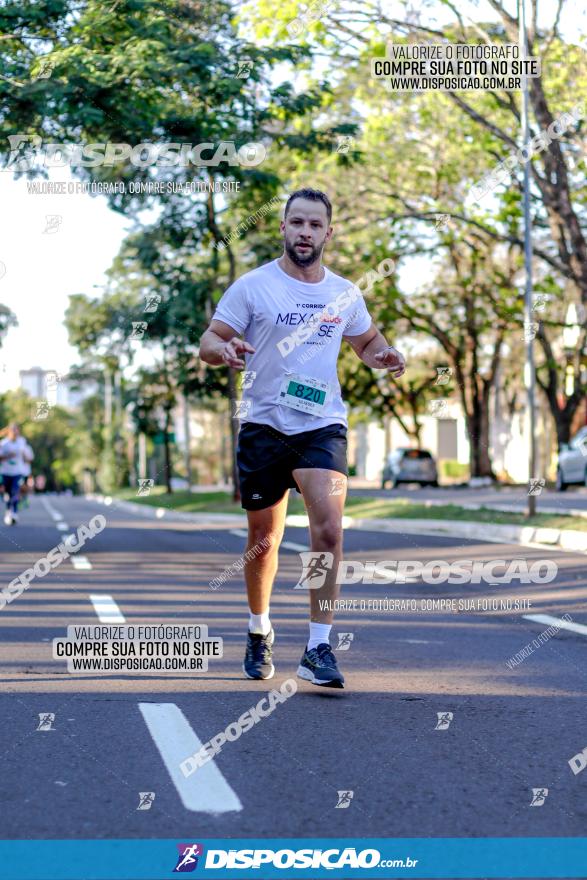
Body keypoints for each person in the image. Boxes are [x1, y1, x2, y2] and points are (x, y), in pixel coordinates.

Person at [199, 188, 406, 689]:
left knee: (329, 532)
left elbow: (366, 341)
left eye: (315, 225)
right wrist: (224, 350)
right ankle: (258, 627)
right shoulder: (253, 287)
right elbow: (209, 340)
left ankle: (318, 644)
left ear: (328, 233)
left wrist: (384, 355)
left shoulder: (344, 294)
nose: (305, 232)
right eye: (297, 223)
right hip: (264, 425)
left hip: (321, 425)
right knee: (264, 541)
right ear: (284, 229)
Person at [0, 424, 34, 525]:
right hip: (5, 472)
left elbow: (29, 458)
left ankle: (14, 512)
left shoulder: (22, 442)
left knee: (15, 491)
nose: (15, 432)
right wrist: (9, 456)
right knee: (7, 494)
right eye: (13, 430)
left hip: (18, 473)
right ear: (9, 432)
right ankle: (8, 511)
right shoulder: (4, 444)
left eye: (16, 430)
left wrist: (25, 457)